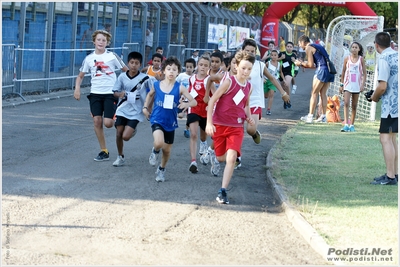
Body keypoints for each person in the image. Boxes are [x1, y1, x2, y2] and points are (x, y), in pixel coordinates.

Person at [205, 50, 256, 204]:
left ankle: (222, 191)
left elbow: (244, 105)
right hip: (220, 125)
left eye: (249, 69)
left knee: (232, 157)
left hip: (236, 127)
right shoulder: (229, 82)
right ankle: (215, 156)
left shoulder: (249, 87)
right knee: (221, 158)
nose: (246, 72)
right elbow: (212, 100)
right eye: (243, 68)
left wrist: (248, 117)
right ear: (236, 67)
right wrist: (209, 122)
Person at [74, 30, 128, 161]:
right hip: (95, 94)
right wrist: (77, 89)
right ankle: (104, 151)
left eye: (104, 40)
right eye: (99, 40)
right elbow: (80, 76)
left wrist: (126, 88)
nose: (101, 42)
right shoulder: (89, 59)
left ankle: (125, 123)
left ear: (107, 43)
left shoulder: (112, 56)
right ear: (94, 41)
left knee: (108, 123)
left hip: (110, 93)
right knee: (97, 121)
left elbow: (126, 71)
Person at [142, 56, 197, 182]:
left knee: (166, 152)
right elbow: (150, 95)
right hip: (157, 119)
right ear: (164, 71)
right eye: (169, 69)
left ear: (178, 72)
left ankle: (161, 169)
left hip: (171, 123)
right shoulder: (156, 85)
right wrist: (145, 107)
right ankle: (155, 151)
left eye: (174, 69)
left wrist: (186, 104)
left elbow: (194, 102)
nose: (171, 71)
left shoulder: (180, 88)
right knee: (158, 142)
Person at [242, 39, 289, 147]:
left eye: (252, 51)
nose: (249, 53)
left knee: (250, 129)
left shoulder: (260, 65)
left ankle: (254, 133)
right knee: (236, 131)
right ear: (242, 51)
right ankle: (236, 158)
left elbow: (272, 78)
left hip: (254, 101)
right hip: (238, 101)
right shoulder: (237, 65)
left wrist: (283, 93)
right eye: (247, 50)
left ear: (256, 52)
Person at [369, 32, 398, 186]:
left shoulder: (383, 58)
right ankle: (394, 173)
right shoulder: (397, 55)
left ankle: (390, 177)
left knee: (385, 138)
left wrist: (374, 97)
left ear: (376, 45)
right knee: (393, 139)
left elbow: (382, 86)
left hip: (391, 105)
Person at [111, 51, 148, 166]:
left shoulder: (145, 78)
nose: (134, 65)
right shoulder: (122, 77)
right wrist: (120, 94)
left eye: (137, 63)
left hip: (136, 111)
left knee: (125, 137)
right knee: (118, 134)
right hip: (122, 108)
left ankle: (132, 129)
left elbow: (153, 92)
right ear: (128, 63)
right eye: (132, 62)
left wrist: (149, 108)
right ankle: (120, 156)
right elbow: (115, 92)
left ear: (140, 65)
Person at [295, 35, 335, 124]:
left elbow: (310, 65)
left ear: (303, 42)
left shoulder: (308, 47)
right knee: (323, 94)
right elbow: (314, 64)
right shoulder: (318, 46)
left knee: (314, 93)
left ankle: (310, 116)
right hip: (329, 71)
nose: (300, 46)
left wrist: (300, 63)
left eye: (299, 44)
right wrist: (304, 63)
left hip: (321, 71)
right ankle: (323, 116)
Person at [186, 55, 211, 173]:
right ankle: (193, 161)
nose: (203, 67)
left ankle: (204, 143)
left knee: (203, 135)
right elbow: (189, 93)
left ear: (209, 68)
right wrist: (185, 102)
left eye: (206, 65)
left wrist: (211, 104)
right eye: (201, 65)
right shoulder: (191, 78)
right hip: (194, 108)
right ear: (197, 65)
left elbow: (215, 95)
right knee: (193, 134)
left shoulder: (209, 80)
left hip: (205, 111)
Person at [339, 42, 367, 132]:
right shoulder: (347, 58)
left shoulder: (361, 59)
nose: (354, 49)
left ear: (359, 49)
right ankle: (346, 123)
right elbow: (343, 72)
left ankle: (352, 125)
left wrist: (362, 84)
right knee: (346, 102)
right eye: (353, 47)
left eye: (356, 47)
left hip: (356, 85)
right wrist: (341, 84)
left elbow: (364, 73)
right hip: (348, 84)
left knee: (354, 105)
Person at [176, 58, 196, 138]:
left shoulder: (195, 77)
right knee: (180, 115)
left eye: (191, 67)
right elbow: (176, 84)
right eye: (187, 67)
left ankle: (186, 129)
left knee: (189, 116)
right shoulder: (181, 76)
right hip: (182, 99)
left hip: (190, 100)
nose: (189, 69)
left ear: (194, 67)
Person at [278, 42, 297, 109]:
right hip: (281, 72)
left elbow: (296, 65)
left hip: (289, 73)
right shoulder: (281, 53)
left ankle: (288, 101)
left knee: (287, 84)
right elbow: (275, 60)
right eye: (288, 46)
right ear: (285, 47)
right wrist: (281, 58)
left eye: (290, 47)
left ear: (293, 48)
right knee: (284, 88)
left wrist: (295, 61)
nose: (289, 48)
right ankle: (286, 101)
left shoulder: (294, 55)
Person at [264, 50, 282, 115]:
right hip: (266, 80)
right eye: (272, 55)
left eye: (275, 55)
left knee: (271, 94)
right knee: (265, 96)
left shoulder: (279, 64)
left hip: (273, 80)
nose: (273, 57)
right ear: (270, 56)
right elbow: (262, 71)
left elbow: (280, 72)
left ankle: (268, 109)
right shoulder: (267, 63)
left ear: (277, 56)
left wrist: (284, 80)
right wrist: (263, 78)